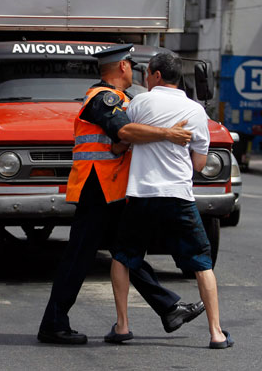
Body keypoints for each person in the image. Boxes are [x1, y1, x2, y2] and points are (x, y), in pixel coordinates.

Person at [37, 44, 205, 345]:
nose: (134, 70)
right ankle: (53, 323)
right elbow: (125, 133)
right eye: (131, 64)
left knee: (126, 253)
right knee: (80, 255)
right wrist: (169, 134)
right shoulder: (102, 98)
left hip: (109, 186)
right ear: (122, 67)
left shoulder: (121, 99)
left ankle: (169, 308)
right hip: (97, 186)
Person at [108, 53, 233, 349]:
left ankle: (123, 326)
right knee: (202, 263)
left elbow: (120, 142)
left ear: (157, 75)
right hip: (178, 195)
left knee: (122, 257)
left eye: (148, 73)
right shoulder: (195, 110)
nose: (146, 78)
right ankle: (216, 333)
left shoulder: (139, 103)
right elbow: (200, 164)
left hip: (142, 194)